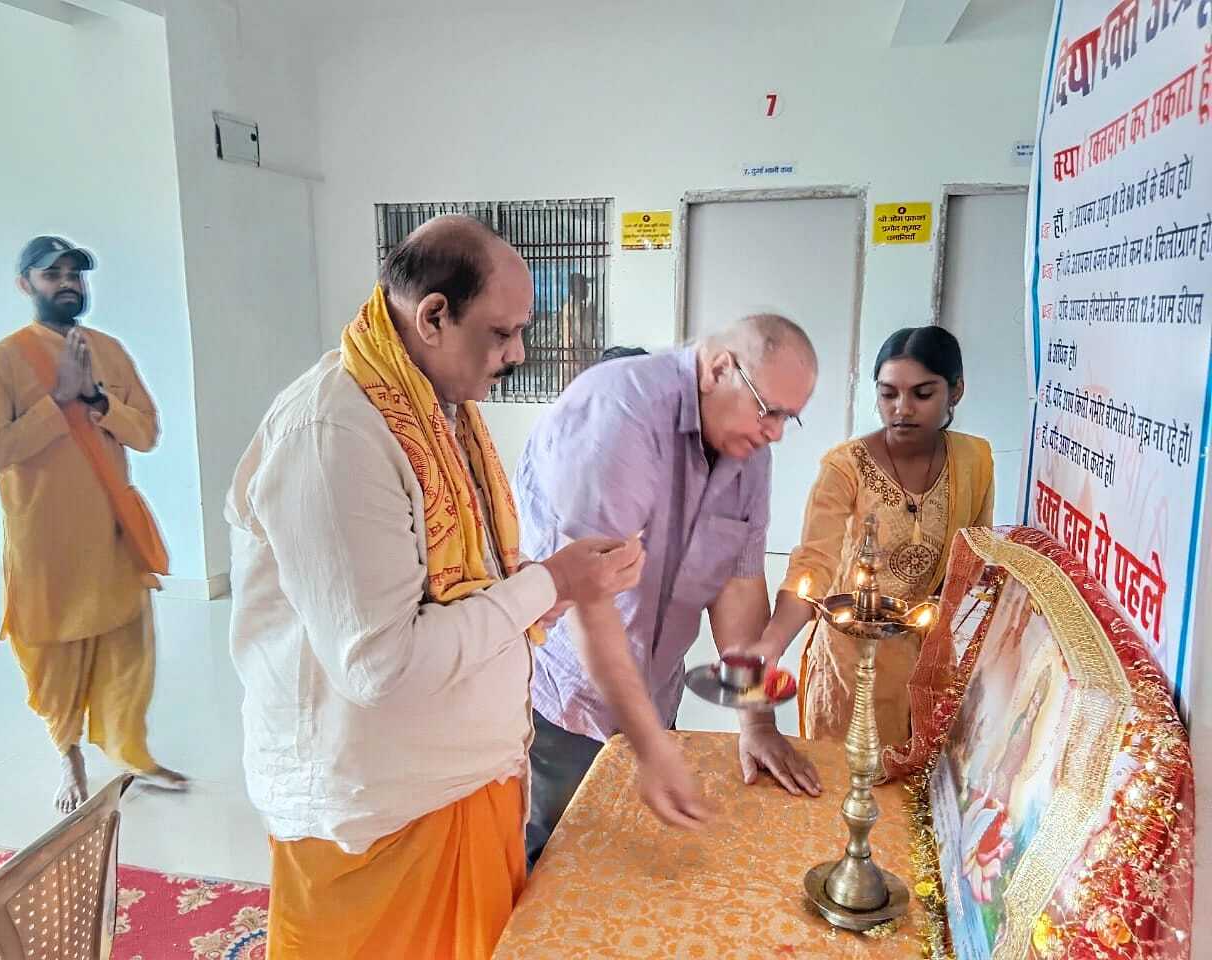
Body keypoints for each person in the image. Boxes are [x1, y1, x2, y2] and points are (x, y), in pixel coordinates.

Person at [226, 216, 699, 960]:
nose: (517, 355)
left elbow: (469, 591)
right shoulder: (335, 434)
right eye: (502, 333)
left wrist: (561, 588)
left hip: (463, 783)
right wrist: (549, 583)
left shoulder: (438, 412)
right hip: (380, 814)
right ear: (433, 316)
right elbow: (380, 664)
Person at [516, 314, 823, 868]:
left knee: (646, 861)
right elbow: (592, 601)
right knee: (561, 864)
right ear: (719, 369)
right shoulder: (620, 414)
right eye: (769, 410)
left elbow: (739, 583)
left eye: (788, 418)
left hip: (655, 693)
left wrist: (755, 720)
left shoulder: (749, 451)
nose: (775, 432)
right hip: (569, 702)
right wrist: (650, 747)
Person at [0, 235, 184, 813]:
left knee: (127, 648)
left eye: (75, 273)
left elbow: (146, 432)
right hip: (43, 537)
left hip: (110, 528)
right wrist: (57, 401)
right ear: (25, 284)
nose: (68, 283)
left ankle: (132, 751)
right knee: (54, 655)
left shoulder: (109, 351)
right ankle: (68, 756)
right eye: (53, 274)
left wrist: (96, 399)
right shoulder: (4, 359)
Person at [748, 326, 994, 750]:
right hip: (850, 663)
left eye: (922, 394)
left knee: (916, 785)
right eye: (888, 394)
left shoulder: (975, 461)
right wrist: (770, 647)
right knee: (845, 780)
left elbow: (971, 562)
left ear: (956, 391)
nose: (902, 409)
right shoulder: (845, 466)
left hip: (927, 664)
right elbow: (813, 565)